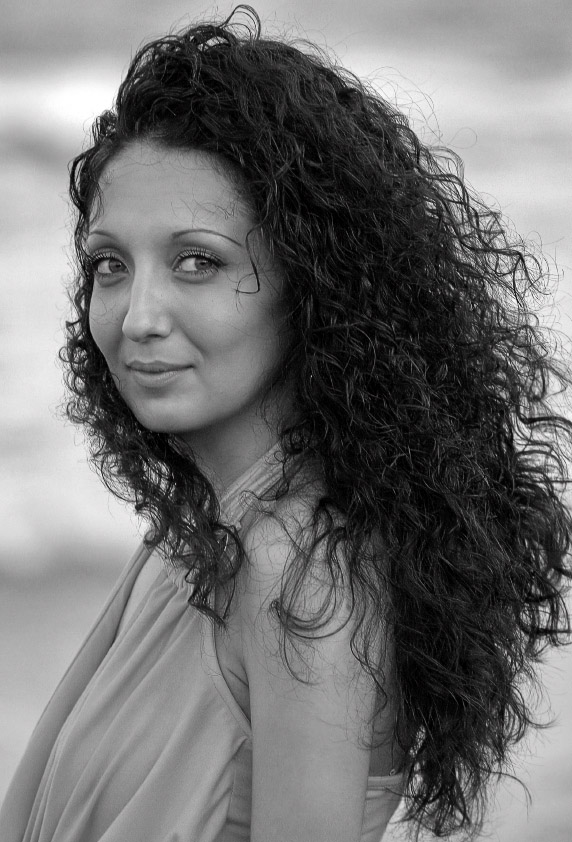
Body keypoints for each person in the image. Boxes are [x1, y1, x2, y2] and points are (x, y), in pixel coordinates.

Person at [1, 5, 571, 841]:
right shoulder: (198, 533)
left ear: (314, 284)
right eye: (110, 264)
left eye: (198, 261)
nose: (136, 316)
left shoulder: (299, 575)